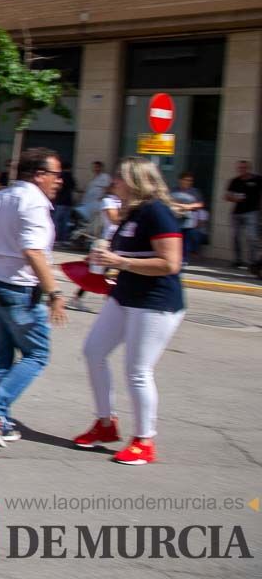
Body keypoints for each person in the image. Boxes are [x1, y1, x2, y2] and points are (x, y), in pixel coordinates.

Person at [74, 158, 186, 466]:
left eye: (120, 179)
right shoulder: (131, 214)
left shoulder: (157, 213)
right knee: (93, 351)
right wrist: (103, 261)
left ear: (136, 181)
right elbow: (125, 256)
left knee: (137, 370)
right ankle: (105, 423)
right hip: (125, 296)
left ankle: (144, 440)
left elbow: (170, 264)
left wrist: (120, 262)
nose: (114, 184)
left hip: (155, 302)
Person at [0, 147, 67, 447]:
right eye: (55, 175)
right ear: (39, 175)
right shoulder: (34, 203)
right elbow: (33, 251)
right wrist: (54, 292)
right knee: (37, 355)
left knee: (2, 354)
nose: (59, 181)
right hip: (19, 290)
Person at [68, 190, 122, 313]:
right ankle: (78, 298)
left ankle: (110, 302)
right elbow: (114, 218)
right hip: (107, 242)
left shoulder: (124, 202)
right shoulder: (108, 200)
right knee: (96, 273)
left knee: (112, 273)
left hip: (120, 242)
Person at [224, 160, 260, 269]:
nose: (242, 170)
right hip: (237, 213)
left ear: (249, 168)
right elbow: (227, 196)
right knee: (235, 237)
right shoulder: (235, 181)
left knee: (251, 237)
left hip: (252, 212)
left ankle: (253, 262)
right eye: (240, 168)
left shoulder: (257, 179)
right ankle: (238, 260)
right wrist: (234, 198)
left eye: (244, 168)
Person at [170, 172, 205, 265]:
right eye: (186, 180)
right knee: (176, 240)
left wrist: (188, 207)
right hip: (175, 219)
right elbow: (167, 201)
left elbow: (200, 204)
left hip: (189, 221)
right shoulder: (173, 190)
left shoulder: (194, 192)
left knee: (187, 240)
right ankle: (175, 257)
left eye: (190, 180)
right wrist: (179, 205)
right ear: (180, 180)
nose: (188, 182)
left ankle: (184, 259)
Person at [53, 162, 77, 244]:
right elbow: (74, 187)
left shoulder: (60, 176)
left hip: (60, 201)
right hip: (68, 202)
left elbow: (57, 188)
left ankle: (56, 238)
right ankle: (64, 238)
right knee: (66, 221)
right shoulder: (70, 176)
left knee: (57, 220)